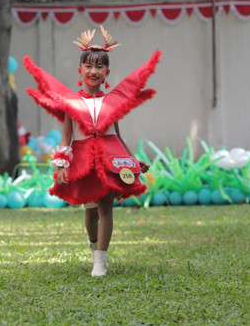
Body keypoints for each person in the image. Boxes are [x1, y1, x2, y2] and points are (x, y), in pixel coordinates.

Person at [24, 26, 160, 277]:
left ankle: (101, 259)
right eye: (88, 66)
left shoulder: (111, 102)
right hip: (84, 161)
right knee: (90, 214)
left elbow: (116, 136)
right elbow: (66, 136)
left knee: (106, 208)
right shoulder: (71, 104)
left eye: (99, 67)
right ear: (80, 70)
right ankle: (93, 242)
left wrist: (132, 161)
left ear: (107, 72)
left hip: (109, 160)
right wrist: (63, 164)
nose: (93, 71)